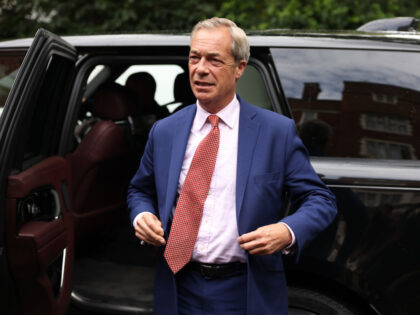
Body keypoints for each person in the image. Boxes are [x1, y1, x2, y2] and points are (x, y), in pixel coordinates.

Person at [127, 17, 337, 315]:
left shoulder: (275, 132)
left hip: (246, 288)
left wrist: (287, 231)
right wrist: (142, 215)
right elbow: (139, 189)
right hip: (178, 285)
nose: (200, 69)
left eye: (214, 60)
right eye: (194, 58)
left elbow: (321, 199)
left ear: (239, 68)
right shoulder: (165, 131)